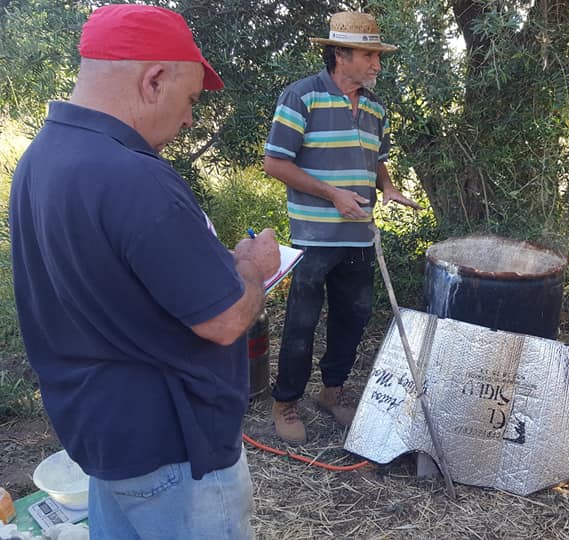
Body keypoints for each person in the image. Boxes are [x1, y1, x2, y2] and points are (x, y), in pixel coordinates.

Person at [9, 5, 280, 538]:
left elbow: (118, 280)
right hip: (174, 451)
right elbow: (225, 321)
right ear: (154, 79)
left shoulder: (41, 157)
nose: (189, 121)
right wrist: (252, 268)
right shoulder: (136, 178)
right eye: (190, 101)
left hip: (102, 438)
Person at [263, 11, 421, 443]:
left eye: (378, 56)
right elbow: (275, 162)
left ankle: (331, 393)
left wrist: (387, 188)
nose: (377, 64)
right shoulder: (302, 97)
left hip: (359, 234)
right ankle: (286, 401)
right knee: (301, 322)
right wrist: (333, 195)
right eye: (369, 55)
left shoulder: (374, 108)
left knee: (352, 318)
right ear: (340, 55)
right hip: (314, 237)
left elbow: (377, 160)